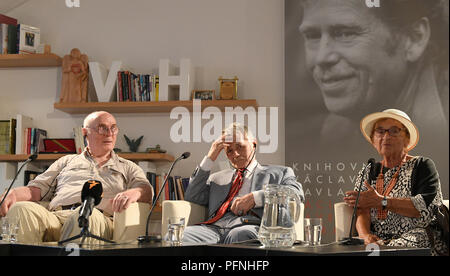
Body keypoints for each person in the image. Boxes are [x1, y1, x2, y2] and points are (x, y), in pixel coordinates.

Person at [0, 111, 153, 243]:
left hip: (98, 217)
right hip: (57, 217)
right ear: (85, 132)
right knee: (21, 209)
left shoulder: (127, 166)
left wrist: (134, 192)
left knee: (87, 217)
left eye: (113, 128)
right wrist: (12, 194)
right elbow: (36, 190)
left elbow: (146, 190)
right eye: (102, 128)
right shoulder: (67, 161)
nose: (109, 133)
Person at [344, 109, 447, 256]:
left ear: (407, 139)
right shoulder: (369, 170)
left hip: (418, 238)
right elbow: (362, 211)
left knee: (384, 252)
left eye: (394, 131)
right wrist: (365, 236)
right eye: (380, 131)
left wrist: (382, 201)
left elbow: (423, 209)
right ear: (373, 139)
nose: (386, 136)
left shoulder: (422, 166)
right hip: (378, 240)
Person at [182, 123, 304, 244]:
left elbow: (295, 193)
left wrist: (255, 198)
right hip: (214, 229)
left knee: (239, 235)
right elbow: (192, 196)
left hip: (249, 227)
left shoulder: (280, 173)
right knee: (179, 235)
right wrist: (210, 157)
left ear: (254, 144)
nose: (235, 154)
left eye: (240, 146)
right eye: (229, 151)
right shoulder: (216, 178)